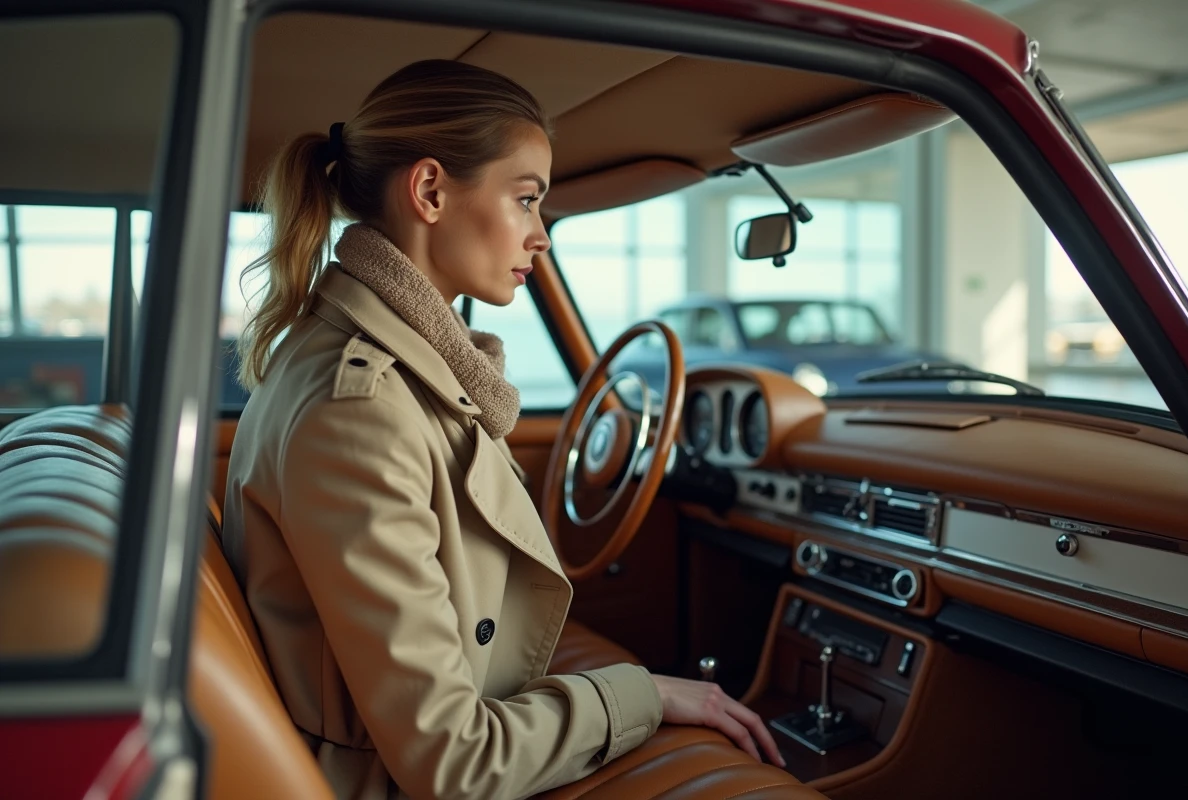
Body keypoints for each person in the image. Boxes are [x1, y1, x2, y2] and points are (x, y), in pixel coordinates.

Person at [221, 59, 784, 800]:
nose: (540, 236)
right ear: (429, 191)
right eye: (526, 200)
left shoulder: (368, 366)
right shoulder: (360, 411)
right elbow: (454, 763)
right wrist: (646, 695)